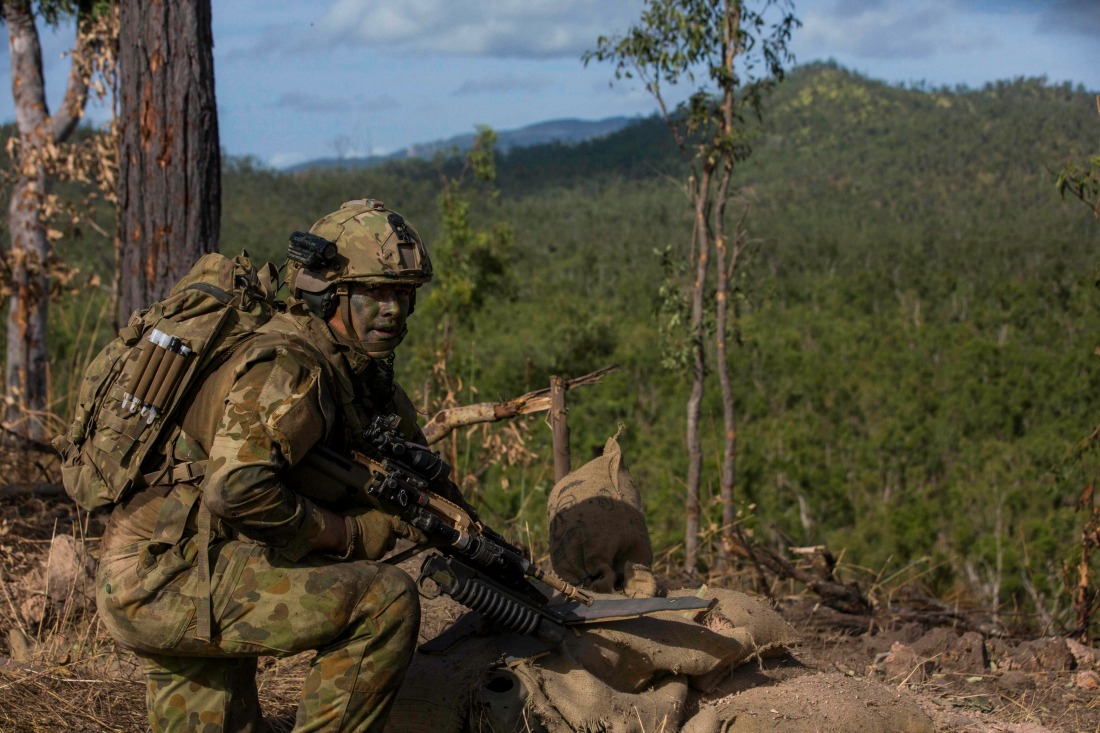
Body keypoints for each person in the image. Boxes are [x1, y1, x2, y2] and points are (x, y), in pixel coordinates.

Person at [96, 199, 434, 732]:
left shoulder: (353, 372)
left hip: (165, 570)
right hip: (171, 580)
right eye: (375, 292)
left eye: (403, 293)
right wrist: (346, 536)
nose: (393, 309)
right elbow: (235, 489)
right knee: (385, 600)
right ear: (330, 295)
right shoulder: (291, 364)